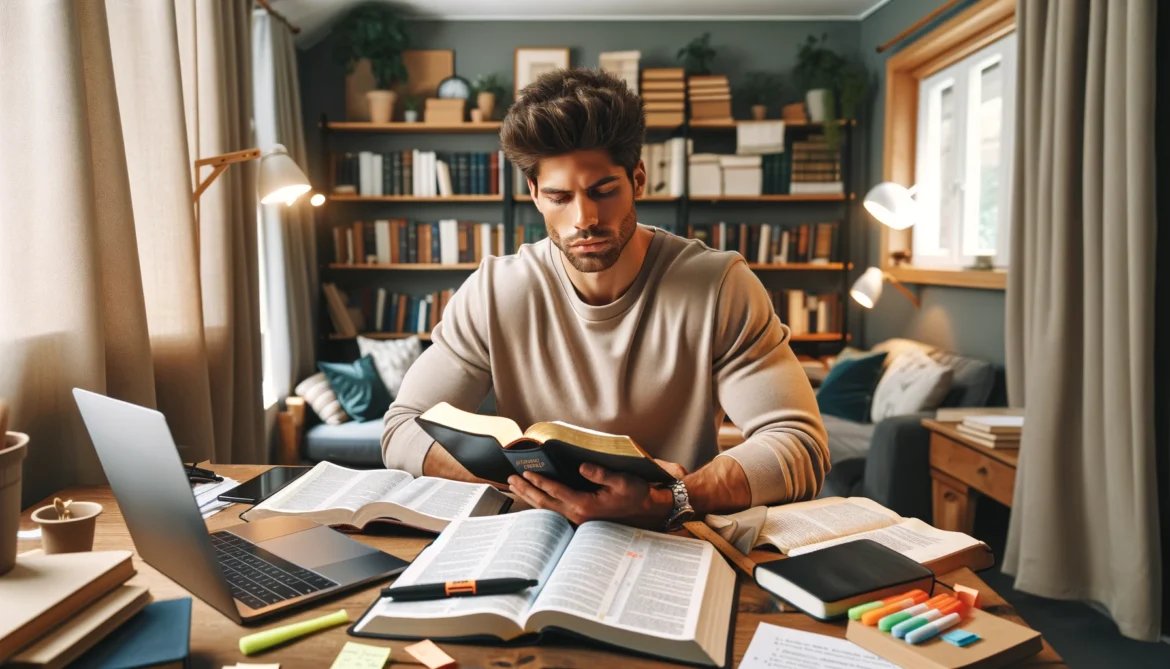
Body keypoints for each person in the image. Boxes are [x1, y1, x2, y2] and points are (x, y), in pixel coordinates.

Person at [382, 68, 828, 531]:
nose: (584, 219)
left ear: (638, 180)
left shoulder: (719, 286)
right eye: (559, 196)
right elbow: (403, 428)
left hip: (669, 537)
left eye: (603, 191)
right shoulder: (496, 291)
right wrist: (526, 493)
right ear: (534, 193)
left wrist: (669, 498)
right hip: (532, 535)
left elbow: (800, 444)